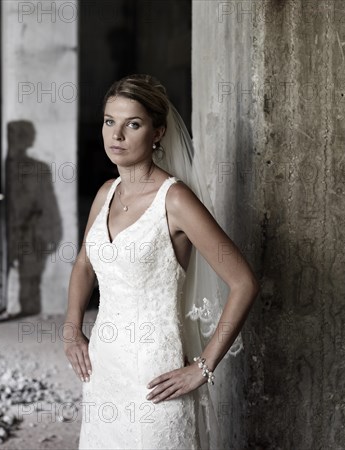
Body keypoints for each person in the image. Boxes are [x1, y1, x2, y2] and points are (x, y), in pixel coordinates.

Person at [63, 75, 260, 449]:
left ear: (158, 133)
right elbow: (84, 266)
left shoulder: (175, 201)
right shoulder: (106, 192)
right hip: (104, 367)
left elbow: (243, 282)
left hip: (156, 374)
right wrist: (72, 327)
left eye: (132, 124)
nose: (116, 135)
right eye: (109, 122)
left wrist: (203, 367)